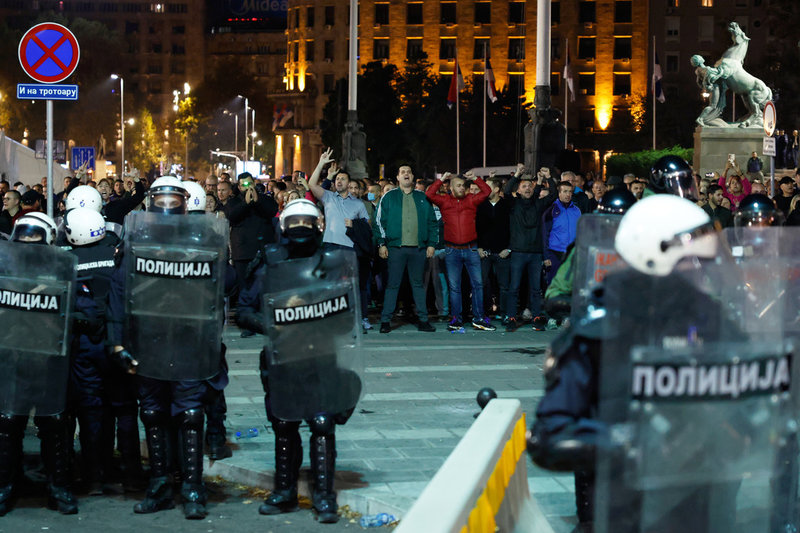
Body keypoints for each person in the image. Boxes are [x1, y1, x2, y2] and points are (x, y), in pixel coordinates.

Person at [529, 194, 745, 531]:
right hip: (624, 507)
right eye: (691, 262)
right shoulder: (599, 329)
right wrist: (631, 442)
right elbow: (550, 434)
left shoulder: (712, 320)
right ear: (653, 257)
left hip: (702, 505)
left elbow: (756, 385)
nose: (701, 274)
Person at [107, 176, 229, 519]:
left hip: (189, 343)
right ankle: (160, 485)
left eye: (172, 200)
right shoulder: (135, 245)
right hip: (149, 342)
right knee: (153, 413)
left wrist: (213, 257)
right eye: (161, 200)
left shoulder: (199, 241)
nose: (165, 207)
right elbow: (119, 294)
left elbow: (227, 287)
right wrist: (117, 344)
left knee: (191, 414)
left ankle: (192, 487)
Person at [236, 199, 363, 523]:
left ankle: (324, 496)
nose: (301, 229)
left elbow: (348, 316)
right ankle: (284, 491)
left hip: (320, 354)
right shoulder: (270, 259)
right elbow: (244, 310)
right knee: (284, 424)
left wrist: (324, 317)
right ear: (283, 227)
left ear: (319, 225)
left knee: (322, 423)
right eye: (295, 223)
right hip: (282, 357)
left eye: (308, 222)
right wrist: (274, 325)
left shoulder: (333, 259)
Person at [0, 213, 79, 515]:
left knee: (54, 424)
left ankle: (58, 488)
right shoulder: (4, 268)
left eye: (35, 239)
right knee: (8, 422)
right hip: (12, 357)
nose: (28, 245)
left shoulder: (62, 269)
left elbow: (78, 307)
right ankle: (5, 486)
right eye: (24, 238)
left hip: (49, 360)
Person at [307, 150, 372, 331]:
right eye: (337, 179)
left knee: (352, 285)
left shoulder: (358, 204)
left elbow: (367, 227)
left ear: (349, 183)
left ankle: (355, 318)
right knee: (330, 285)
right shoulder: (328, 197)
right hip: (330, 245)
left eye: (343, 179)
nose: (339, 181)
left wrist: (355, 224)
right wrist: (321, 163)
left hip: (350, 248)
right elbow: (312, 184)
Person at [426, 170, 494, 331]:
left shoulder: (471, 200)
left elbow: (487, 191)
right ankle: (456, 318)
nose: (462, 188)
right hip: (452, 250)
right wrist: (441, 179)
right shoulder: (444, 201)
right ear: (450, 187)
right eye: (458, 185)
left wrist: (475, 178)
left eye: (463, 185)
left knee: (477, 285)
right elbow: (429, 194)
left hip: (471, 248)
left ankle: (478, 318)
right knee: (455, 287)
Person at [374, 165, 438, 333]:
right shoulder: (389, 196)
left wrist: (431, 244)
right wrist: (381, 244)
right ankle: (385, 321)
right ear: (398, 177)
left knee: (418, 284)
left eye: (409, 172)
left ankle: (423, 320)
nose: (406, 174)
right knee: (392, 285)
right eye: (402, 172)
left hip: (418, 249)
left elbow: (433, 222)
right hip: (396, 248)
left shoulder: (422, 197)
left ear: (412, 176)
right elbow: (379, 221)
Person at [503, 165, 556, 332]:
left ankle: (536, 317)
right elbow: (506, 192)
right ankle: (511, 316)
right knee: (514, 287)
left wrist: (548, 177)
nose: (527, 188)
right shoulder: (513, 203)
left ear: (534, 189)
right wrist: (517, 175)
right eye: (524, 186)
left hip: (535, 253)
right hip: (518, 252)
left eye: (530, 186)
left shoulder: (539, 205)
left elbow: (553, 195)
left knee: (536, 289)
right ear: (518, 190)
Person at [476, 176, 511, 322]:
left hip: (502, 252)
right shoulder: (481, 205)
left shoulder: (506, 205)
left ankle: (504, 314)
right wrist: (478, 247)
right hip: (484, 252)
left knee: (504, 286)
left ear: (496, 189)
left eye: (487, 186)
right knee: (482, 284)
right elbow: (476, 228)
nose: (484, 189)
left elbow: (512, 228)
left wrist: (508, 248)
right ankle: (484, 313)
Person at [542, 181, 582, 286]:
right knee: (554, 284)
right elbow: (544, 234)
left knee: (571, 285)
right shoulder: (551, 210)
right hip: (555, 254)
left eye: (570, 192)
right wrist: (546, 256)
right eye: (565, 191)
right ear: (559, 193)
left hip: (572, 254)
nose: (568, 194)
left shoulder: (577, 210)